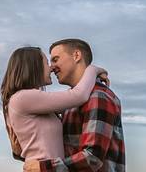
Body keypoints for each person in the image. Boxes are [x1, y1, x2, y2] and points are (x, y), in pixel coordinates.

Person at [25, 38, 125, 172]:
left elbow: (92, 158)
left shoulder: (98, 96)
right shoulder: (70, 103)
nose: (52, 67)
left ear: (76, 56)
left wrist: (44, 168)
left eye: (55, 59)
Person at [0, 46, 108, 164]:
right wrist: (93, 70)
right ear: (34, 67)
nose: (51, 68)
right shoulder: (23, 98)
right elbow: (79, 95)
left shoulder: (33, 101)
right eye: (47, 63)